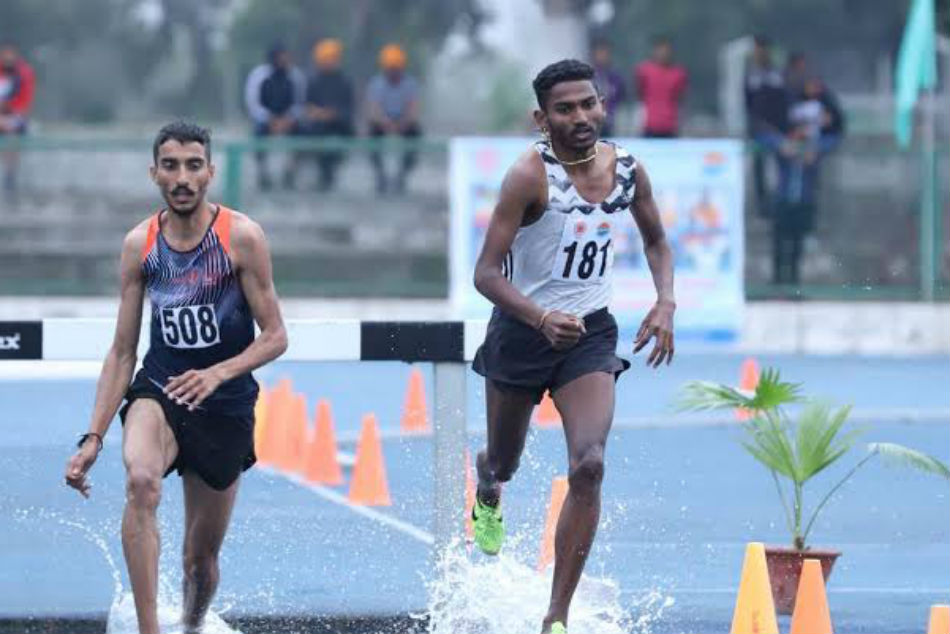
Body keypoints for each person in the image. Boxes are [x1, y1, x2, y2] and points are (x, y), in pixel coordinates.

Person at [470, 59, 675, 634]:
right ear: (542, 119)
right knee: (505, 460)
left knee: (589, 465)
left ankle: (555, 616)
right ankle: (487, 480)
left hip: (588, 335)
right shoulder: (528, 176)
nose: (581, 116)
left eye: (589, 103)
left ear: (602, 106)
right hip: (521, 333)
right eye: (565, 109)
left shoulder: (627, 169)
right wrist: (539, 317)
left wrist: (665, 300)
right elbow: (485, 274)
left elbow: (657, 241)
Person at [64, 121, 288, 634]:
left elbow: (276, 336)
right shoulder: (140, 244)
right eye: (171, 166)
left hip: (225, 404)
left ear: (210, 172)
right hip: (160, 391)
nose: (182, 177)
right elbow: (123, 351)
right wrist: (93, 436)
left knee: (199, 563)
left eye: (193, 166)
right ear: (155, 173)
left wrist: (217, 374)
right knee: (141, 481)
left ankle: (191, 624)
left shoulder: (241, 238)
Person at [244, 43, 306, 190]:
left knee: (305, 133)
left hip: (289, 121)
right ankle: (263, 173)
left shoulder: (296, 76)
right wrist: (270, 119)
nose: (284, 60)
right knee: (258, 133)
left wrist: (288, 119)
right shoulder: (259, 75)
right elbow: (253, 103)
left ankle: (290, 172)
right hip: (265, 120)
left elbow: (300, 103)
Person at [366, 44, 421, 194]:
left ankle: (402, 174)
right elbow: (374, 109)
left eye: (396, 68)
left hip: (403, 122)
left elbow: (413, 108)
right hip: (383, 121)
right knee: (371, 134)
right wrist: (386, 122)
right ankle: (380, 174)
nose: (393, 71)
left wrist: (403, 123)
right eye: (390, 68)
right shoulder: (376, 84)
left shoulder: (410, 84)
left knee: (415, 134)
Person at [301, 38, 355, 191]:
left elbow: (347, 108)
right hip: (319, 126)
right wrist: (321, 114)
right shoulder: (313, 81)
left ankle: (332, 170)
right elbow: (308, 107)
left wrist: (333, 114)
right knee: (313, 132)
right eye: (326, 59)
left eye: (332, 59)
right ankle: (323, 173)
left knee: (343, 132)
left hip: (340, 126)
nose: (329, 62)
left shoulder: (344, 82)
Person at [744, 35, 789, 218]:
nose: (759, 53)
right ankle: (762, 206)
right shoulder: (751, 75)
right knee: (760, 168)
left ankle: (781, 205)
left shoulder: (776, 75)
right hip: (758, 131)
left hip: (777, 130)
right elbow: (748, 103)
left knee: (780, 168)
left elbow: (783, 102)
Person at [634, 36, 687, 137]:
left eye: (666, 50)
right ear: (654, 51)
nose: (663, 53)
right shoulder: (644, 71)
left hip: (670, 126)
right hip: (649, 125)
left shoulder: (679, 73)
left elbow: (680, 98)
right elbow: (640, 94)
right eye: (660, 49)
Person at [0, 45, 35, 193]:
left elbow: (24, 101)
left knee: (12, 136)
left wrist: (11, 115)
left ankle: (10, 175)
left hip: (15, 115)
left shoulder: (23, 73)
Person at [590, 40, 626, 137]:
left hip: (611, 122)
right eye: (600, 53)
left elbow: (621, 97)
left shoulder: (616, 76)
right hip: (592, 122)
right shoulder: (588, 76)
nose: (603, 56)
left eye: (605, 53)